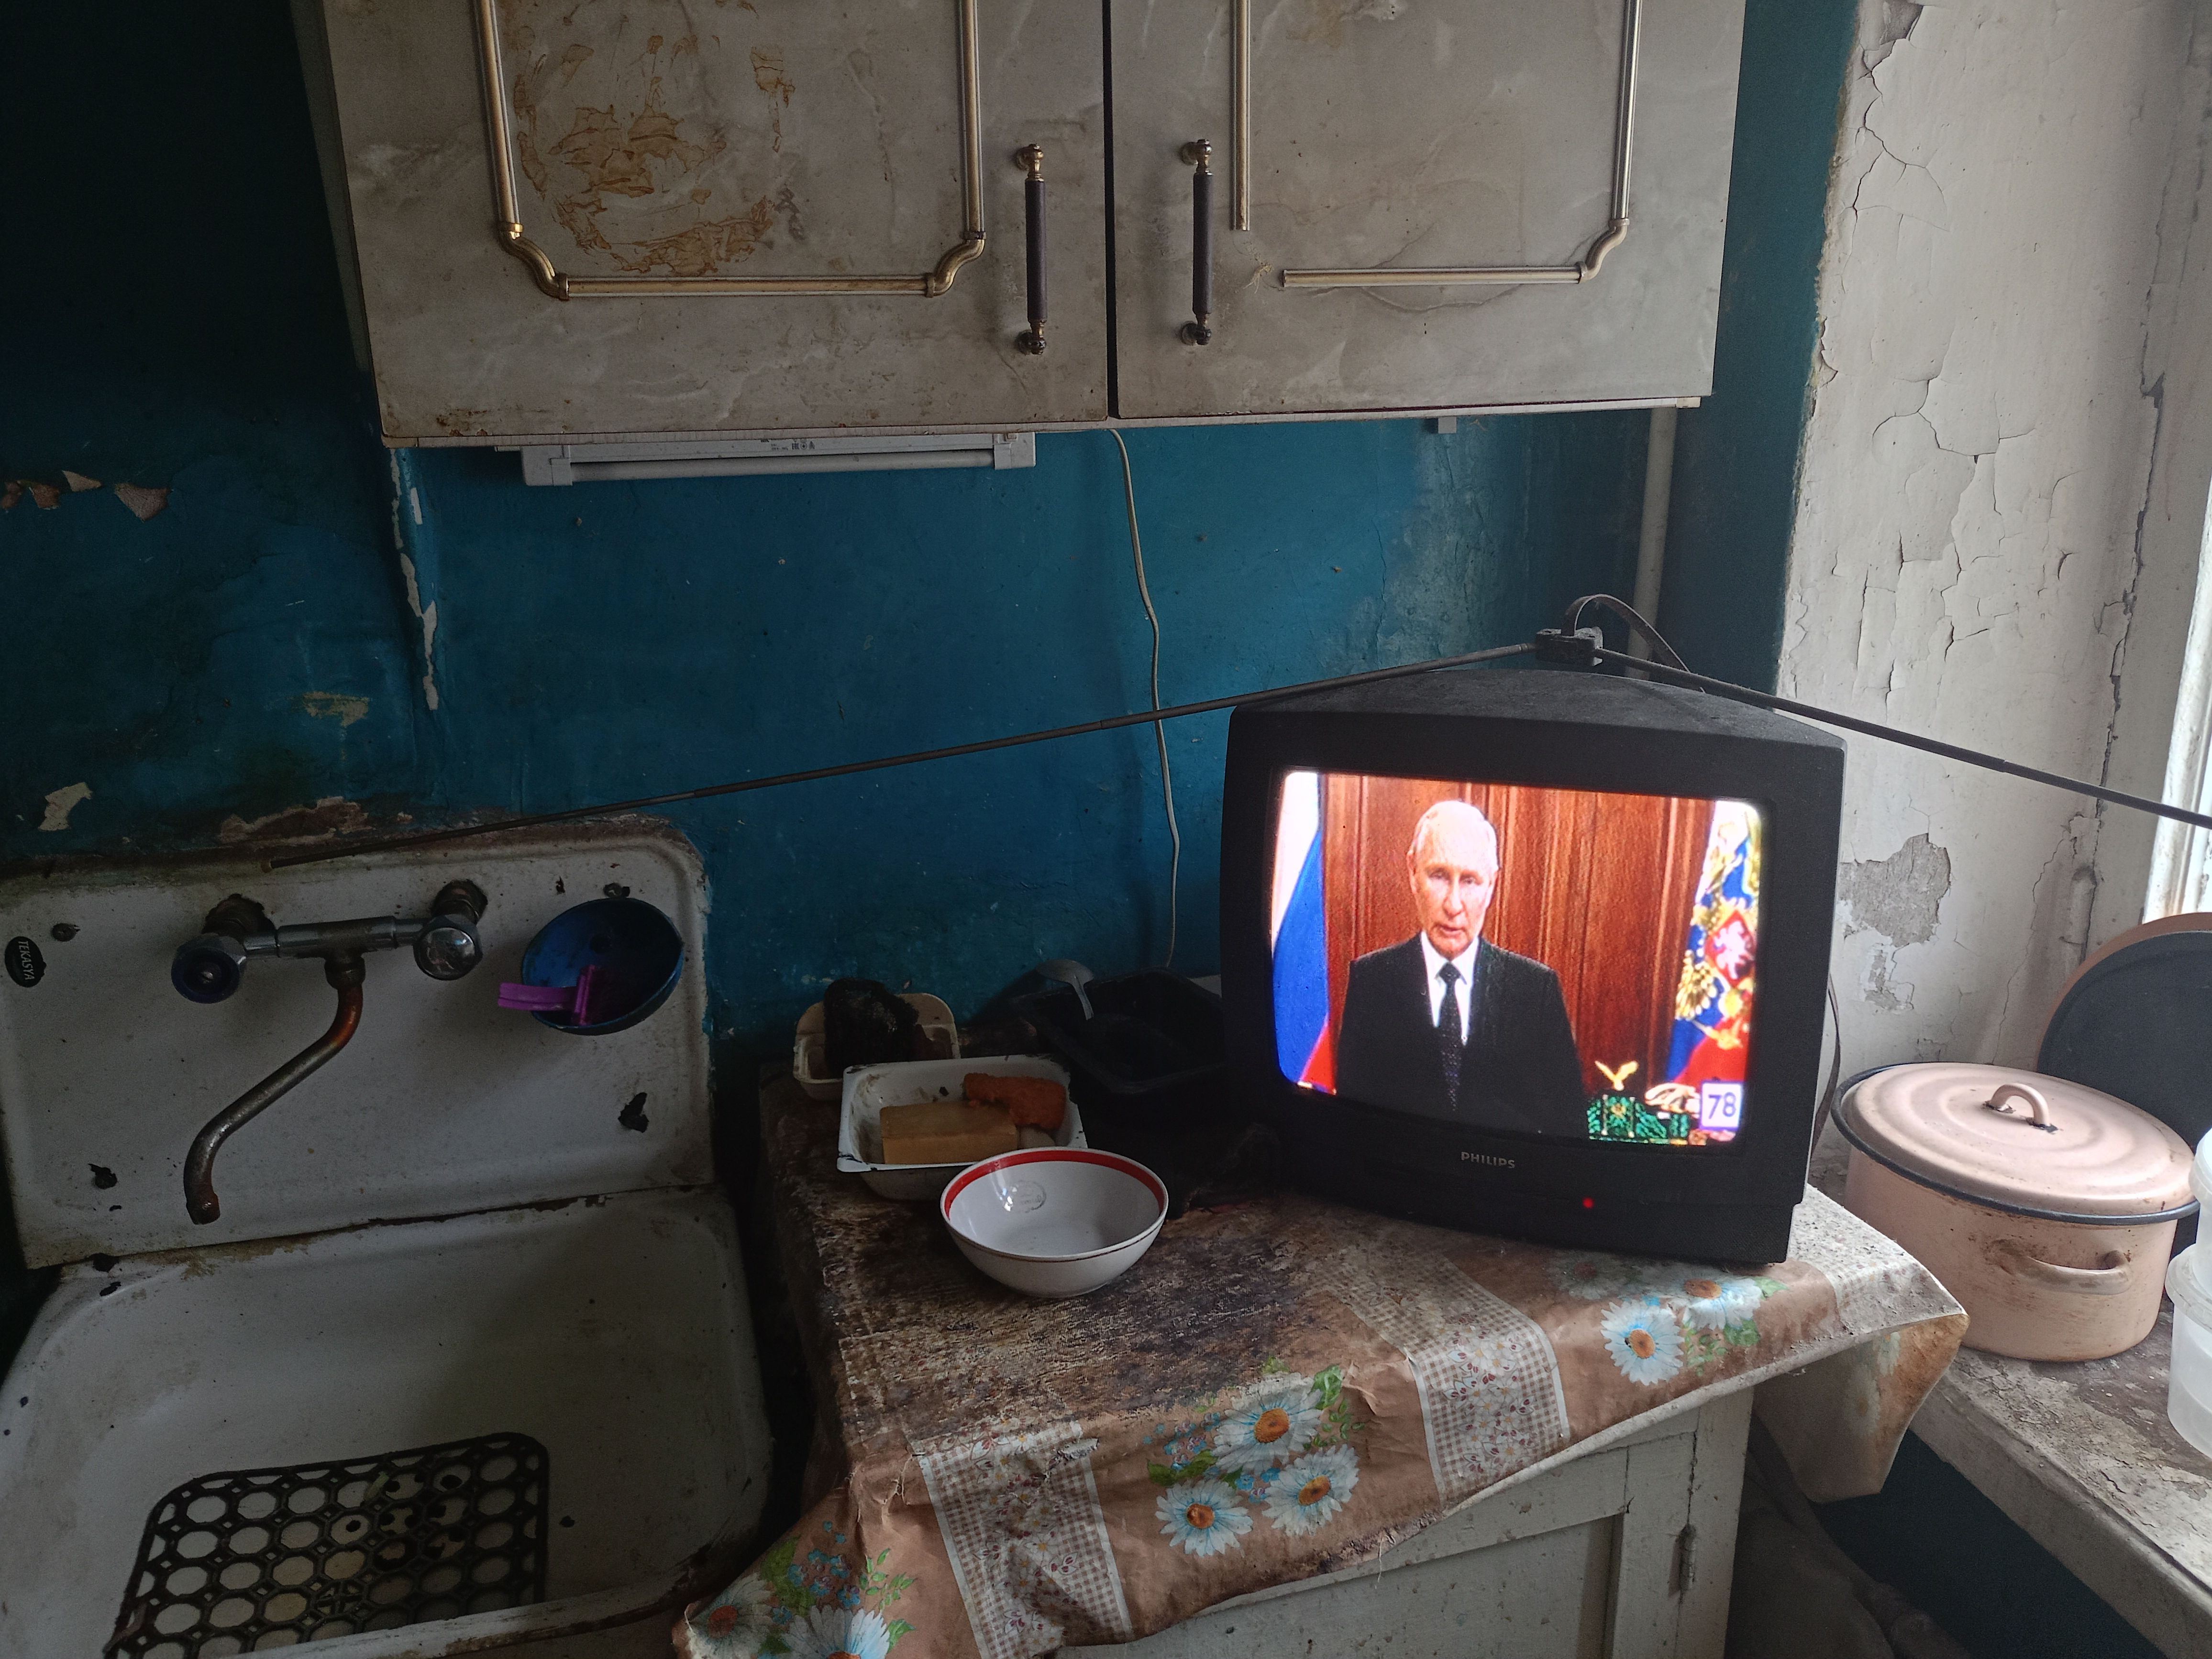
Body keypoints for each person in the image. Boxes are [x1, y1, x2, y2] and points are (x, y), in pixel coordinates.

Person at [1334, 799, 1587, 1133]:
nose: (1454, 905)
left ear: (1492, 884)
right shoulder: (1372, 980)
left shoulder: (1536, 991)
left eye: (1470, 881)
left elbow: (1568, 1132)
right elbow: (1353, 1127)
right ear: (1412, 871)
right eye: (1439, 875)